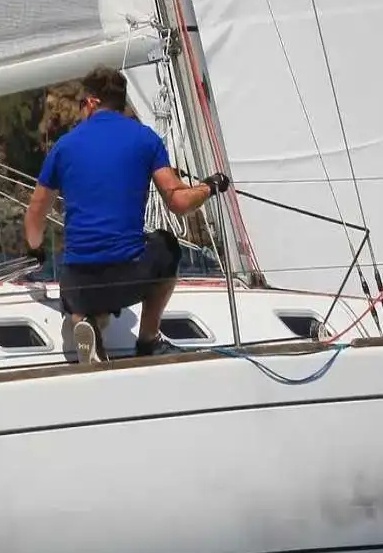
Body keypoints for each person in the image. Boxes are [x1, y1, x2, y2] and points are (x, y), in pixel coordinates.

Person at [23, 67, 230, 364]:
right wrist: (210, 186)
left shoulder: (64, 146)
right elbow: (179, 202)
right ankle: (148, 339)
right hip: (129, 279)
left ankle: (85, 322)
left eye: (82, 105)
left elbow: (35, 216)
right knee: (167, 246)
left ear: (91, 102)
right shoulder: (145, 139)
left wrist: (35, 250)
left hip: (79, 283)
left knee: (75, 278)